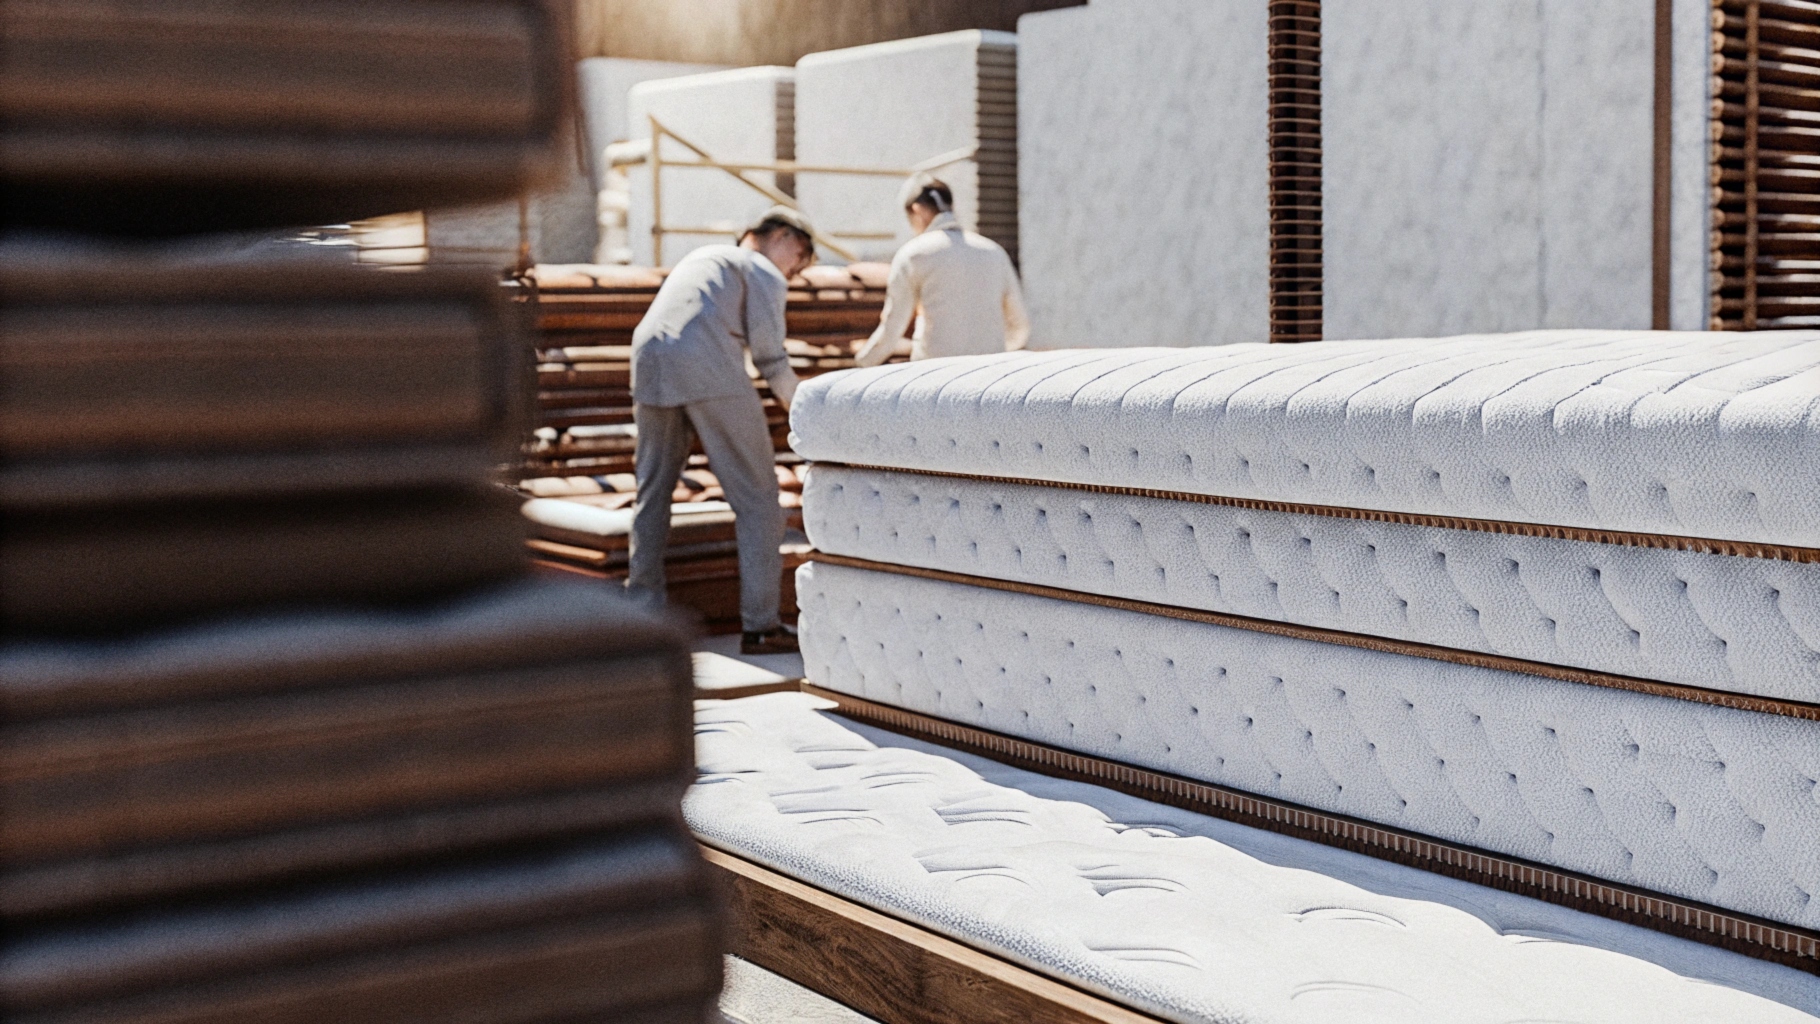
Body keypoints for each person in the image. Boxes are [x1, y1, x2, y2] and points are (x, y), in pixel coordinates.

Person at [626, 206, 814, 654]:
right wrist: (812, 412)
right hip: (706, 361)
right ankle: (762, 625)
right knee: (759, 500)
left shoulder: (702, 258)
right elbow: (770, 357)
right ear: (780, 236)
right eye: (801, 256)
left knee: (651, 493)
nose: (796, 268)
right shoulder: (762, 268)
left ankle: (640, 615)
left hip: (648, 356)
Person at [851, 173, 1029, 367]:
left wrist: (860, 365)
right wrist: (995, 353)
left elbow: (893, 328)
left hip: (936, 377)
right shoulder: (994, 252)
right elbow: (1020, 325)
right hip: (988, 376)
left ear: (917, 210)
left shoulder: (914, 254)